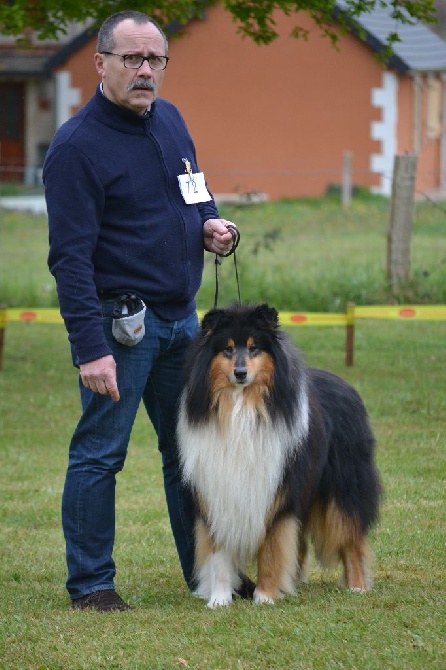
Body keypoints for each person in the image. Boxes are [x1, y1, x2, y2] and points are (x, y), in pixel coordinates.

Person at [43, 10, 244, 612]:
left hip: (183, 323)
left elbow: (193, 186)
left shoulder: (171, 120)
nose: (145, 70)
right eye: (131, 58)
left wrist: (209, 221)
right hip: (120, 327)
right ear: (99, 62)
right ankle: (92, 586)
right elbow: (70, 261)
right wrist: (90, 349)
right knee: (100, 454)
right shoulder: (76, 148)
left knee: (189, 452)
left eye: (155, 59)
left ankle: (208, 576)